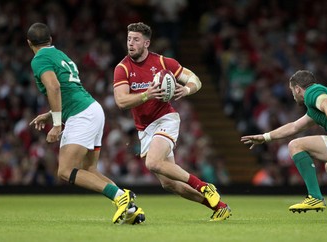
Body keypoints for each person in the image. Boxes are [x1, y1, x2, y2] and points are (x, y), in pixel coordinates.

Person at [26, 22, 144, 225]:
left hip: (81, 115)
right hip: (92, 109)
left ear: (29, 43)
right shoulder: (60, 55)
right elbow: (68, 89)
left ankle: (120, 197)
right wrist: (51, 114)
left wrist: (56, 124)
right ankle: (130, 208)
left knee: (65, 170)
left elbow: (54, 87)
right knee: (89, 169)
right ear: (51, 40)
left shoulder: (39, 59)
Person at [113, 22, 231, 221]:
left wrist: (186, 89)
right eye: (129, 39)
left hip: (166, 119)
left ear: (146, 43)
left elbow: (195, 79)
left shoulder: (162, 62)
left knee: (153, 162)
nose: (131, 43)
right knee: (170, 184)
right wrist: (146, 94)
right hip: (145, 128)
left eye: (136, 40)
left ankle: (204, 186)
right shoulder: (122, 68)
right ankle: (220, 207)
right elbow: (121, 101)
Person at [241, 70, 327, 223]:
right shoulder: (314, 108)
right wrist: (265, 137)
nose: (293, 95)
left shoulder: (313, 91)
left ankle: (315, 197)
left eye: (292, 91)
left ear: (298, 89)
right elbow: (294, 127)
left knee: (296, 145)